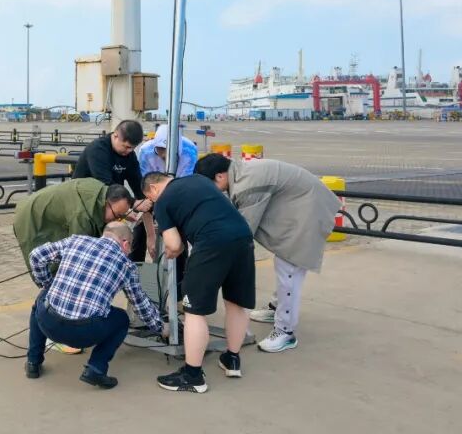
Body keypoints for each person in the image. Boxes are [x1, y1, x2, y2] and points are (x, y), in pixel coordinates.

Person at [194, 154, 340, 354]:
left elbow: (244, 231)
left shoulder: (247, 185)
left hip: (308, 208)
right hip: (300, 204)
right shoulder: (240, 173)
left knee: (288, 267)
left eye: (209, 185)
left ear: (220, 176)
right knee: (284, 260)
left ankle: (285, 332)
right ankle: (276, 308)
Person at [142, 171, 255, 393]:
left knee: (194, 310)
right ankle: (232, 359)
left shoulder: (163, 201)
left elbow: (174, 245)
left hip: (211, 242)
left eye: (150, 198)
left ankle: (192, 375)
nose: (153, 202)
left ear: (153, 188)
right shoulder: (199, 179)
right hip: (243, 237)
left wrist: (173, 250)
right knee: (235, 302)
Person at [25, 222, 166, 389]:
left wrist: (48, 284)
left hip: (48, 323)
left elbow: (36, 255)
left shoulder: (76, 240)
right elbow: (140, 305)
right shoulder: (127, 266)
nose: (128, 252)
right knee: (122, 319)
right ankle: (96, 369)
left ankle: (33, 362)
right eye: (129, 248)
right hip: (85, 335)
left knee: (41, 300)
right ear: (125, 243)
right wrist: (161, 328)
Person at [12, 178, 135, 269]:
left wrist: (122, 214)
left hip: (51, 212)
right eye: (117, 215)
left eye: (121, 216)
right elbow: (78, 253)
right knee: (54, 268)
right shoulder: (82, 215)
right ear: (106, 202)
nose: (116, 220)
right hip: (32, 217)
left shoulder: (99, 192)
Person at [72, 120, 148, 259]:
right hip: (84, 205)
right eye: (126, 147)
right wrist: (131, 203)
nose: (129, 151)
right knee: (87, 249)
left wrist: (146, 201)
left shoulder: (129, 156)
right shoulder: (98, 150)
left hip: (108, 206)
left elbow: (137, 183)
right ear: (116, 135)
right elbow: (105, 185)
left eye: (132, 148)